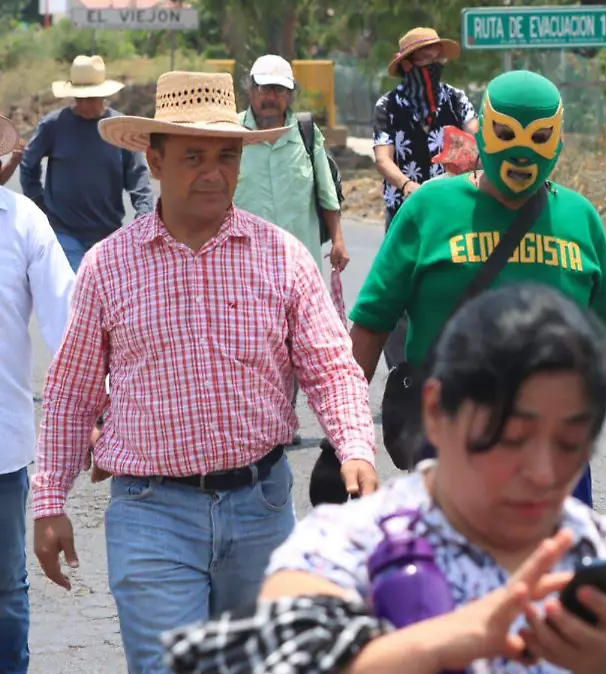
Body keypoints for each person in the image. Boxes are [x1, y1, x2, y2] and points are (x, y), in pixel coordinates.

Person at [161, 283, 606, 674]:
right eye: (511, 437)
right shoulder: (347, 545)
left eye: (571, 442)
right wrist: (445, 641)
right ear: (438, 411)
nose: (544, 472)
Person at [30, 71, 380, 674]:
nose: (214, 172)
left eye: (226, 155)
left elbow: (330, 364)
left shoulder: (282, 256)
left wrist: (355, 445)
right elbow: (71, 392)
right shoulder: (109, 268)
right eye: (193, 156)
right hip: (150, 513)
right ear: (155, 161)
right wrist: (49, 500)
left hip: (263, 510)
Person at [348, 70, 606, 517]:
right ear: (485, 133)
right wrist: (351, 443)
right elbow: (371, 328)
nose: (521, 152)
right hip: (449, 447)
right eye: (507, 133)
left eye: (539, 137)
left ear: (559, 139)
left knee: (552, 579)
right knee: (458, 580)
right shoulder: (428, 209)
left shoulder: (580, 218)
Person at [234, 53, 351, 445]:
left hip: (296, 262)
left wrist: (337, 238)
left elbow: (326, 191)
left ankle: (281, 414)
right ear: (250, 89)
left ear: (289, 96)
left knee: (296, 343)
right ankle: (262, 418)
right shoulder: (231, 133)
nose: (270, 98)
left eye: (279, 91)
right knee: (254, 342)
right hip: (242, 263)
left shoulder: (305, 133)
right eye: (265, 89)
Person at [0, 112, 75, 674]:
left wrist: (97, 407)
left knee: (4, 592)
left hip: (1, 449)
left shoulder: (23, 223)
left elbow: (65, 322)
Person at [372, 26, 479, 369]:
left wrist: (464, 163)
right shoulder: (387, 105)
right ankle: (402, 371)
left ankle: (454, 364)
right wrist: (407, 186)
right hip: (405, 210)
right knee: (399, 289)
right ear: (407, 63)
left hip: (455, 209)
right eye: (424, 54)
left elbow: (477, 144)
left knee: (455, 283)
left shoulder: (457, 99)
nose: (432, 60)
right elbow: (383, 157)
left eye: (436, 53)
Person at [19, 54, 154, 271]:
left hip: (108, 235)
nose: (83, 104)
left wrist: (144, 219)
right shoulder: (54, 125)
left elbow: (139, 180)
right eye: (78, 98)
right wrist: (39, 205)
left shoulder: (118, 130)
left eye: (89, 98)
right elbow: (28, 165)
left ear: (102, 96)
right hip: (64, 233)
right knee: (75, 292)